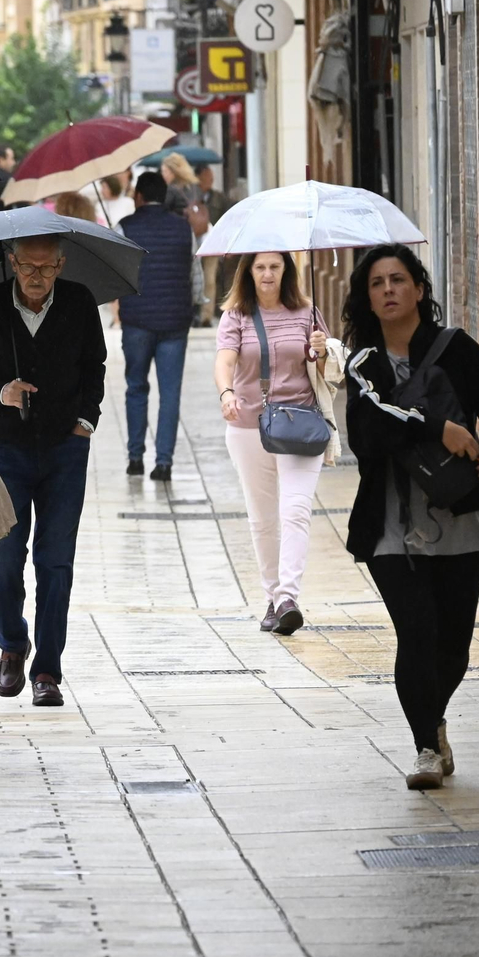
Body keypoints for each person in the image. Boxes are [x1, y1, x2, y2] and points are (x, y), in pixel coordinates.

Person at [340, 245, 479, 790]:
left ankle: (432, 719)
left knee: (455, 646)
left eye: (399, 279)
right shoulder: (362, 362)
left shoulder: (455, 349)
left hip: (458, 515)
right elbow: (368, 428)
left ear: (420, 290)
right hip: (389, 522)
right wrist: (435, 428)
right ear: (366, 297)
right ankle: (425, 746)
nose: (388, 290)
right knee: (416, 632)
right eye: (377, 283)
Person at [0, 235, 105, 708]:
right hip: (5, 447)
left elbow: (95, 365)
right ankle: (12, 645)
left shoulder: (80, 302)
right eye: (28, 266)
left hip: (66, 447)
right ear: (12, 261)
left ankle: (47, 667)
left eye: (47, 268)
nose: (37, 277)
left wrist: (88, 419)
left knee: (55, 560)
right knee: (4, 555)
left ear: (61, 265)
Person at [212, 252, 329, 635]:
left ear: (286, 271)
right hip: (250, 425)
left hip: (301, 424)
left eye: (274, 267)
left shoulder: (307, 312)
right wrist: (227, 393)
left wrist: (323, 349)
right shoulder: (236, 315)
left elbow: (328, 372)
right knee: (263, 519)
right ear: (248, 272)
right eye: (260, 267)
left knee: (295, 510)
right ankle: (272, 596)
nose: (267, 274)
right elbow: (225, 360)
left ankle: (288, 598)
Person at [115, 173, 200, 479]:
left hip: (137, 322)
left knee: (136, 388)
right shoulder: (183, 228)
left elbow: (116, 275)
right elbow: (195, 273)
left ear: (138, 196)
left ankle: (135, 457)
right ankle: (164, 463)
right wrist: (196, 304)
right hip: (175, 323)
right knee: (170, 393)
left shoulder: (124, 227)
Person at [193, 163, 233, 323]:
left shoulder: (219, 198)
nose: (210, 181)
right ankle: (193, 312)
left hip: (212, 245)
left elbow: (229, 219)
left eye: (211, 178)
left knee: (209, 279)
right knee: (193, 278)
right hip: (193, 243)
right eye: (207, 177)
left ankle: (206, 315)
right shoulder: (190, 196)